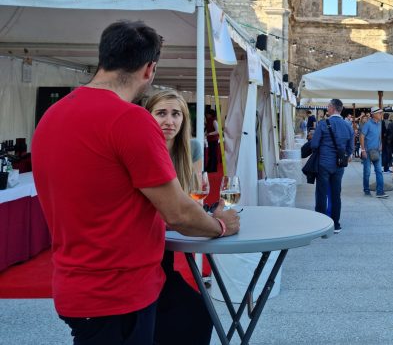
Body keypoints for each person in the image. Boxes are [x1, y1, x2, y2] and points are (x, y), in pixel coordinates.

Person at [32, 20, 239, 345]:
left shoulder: (52, 115)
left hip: (76, 283)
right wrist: (220, 225)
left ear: (103, 58)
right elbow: (178, 213)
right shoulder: (130, 119)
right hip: (119, 291)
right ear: (149, 69)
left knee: (191, 315)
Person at [145, 90, 211, 344]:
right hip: (146, 242)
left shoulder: (191, 148)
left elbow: (192, 194)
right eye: (161, 113)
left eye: (176, 114)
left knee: (196, 312)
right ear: (148, 115)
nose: (169, 121)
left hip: (169, 238)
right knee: (185, 311)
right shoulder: (142, 149)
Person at [310, 99, 354, 233]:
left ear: (332, 108)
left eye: (328, 106)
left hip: (324, 163)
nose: (327, 108)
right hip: (339, 165)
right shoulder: (348, 126)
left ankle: (321, 223)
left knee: (322, 193)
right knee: (336, 194)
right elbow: (350, 148)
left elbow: (314, 145)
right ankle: (336, 224)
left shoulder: (323, 124)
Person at [360, 107, 388, 198]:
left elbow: (379, 135)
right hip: (367, 152)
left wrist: (380, 144)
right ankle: (366, 190)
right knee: (367, 172)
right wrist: (363, 150)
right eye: (379, 113)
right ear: (374, 114)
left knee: (379, 171)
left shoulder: (379, 124)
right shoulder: (367, 124)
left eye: (381, 113)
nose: (381, 114)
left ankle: (380, 191)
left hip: (376, 151)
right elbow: (362, 137)